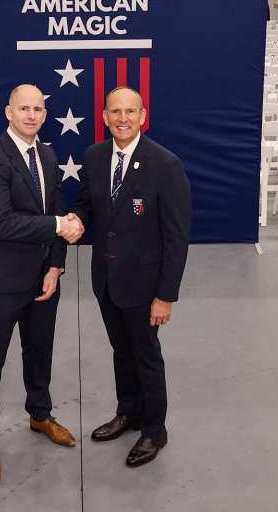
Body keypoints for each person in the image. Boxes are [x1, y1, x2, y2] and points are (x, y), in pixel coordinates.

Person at [69, 86, 191, 467]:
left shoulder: (165, 165)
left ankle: (155, 430)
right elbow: (88, 206)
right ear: (104, 117)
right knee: (122, 351)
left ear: (143, 116)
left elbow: (176, 238)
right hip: (106, 280)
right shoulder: (94, 157)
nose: (122, 118)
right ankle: (129, 413)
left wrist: (166, 295)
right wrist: (75, 221)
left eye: (130, 112)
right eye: (115, 111)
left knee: (146, 356)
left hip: (144, 286)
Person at [0, 84, 85, 482]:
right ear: (8, 112)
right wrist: (59, 226)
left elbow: (55, 208)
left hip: (42, 279)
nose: (32, 115)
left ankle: (40, 414)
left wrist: (56, 267)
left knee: (40, 353)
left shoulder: (48, 155)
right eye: (24, 108)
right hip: (1, 282)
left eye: (38, 108)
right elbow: (2, 224)